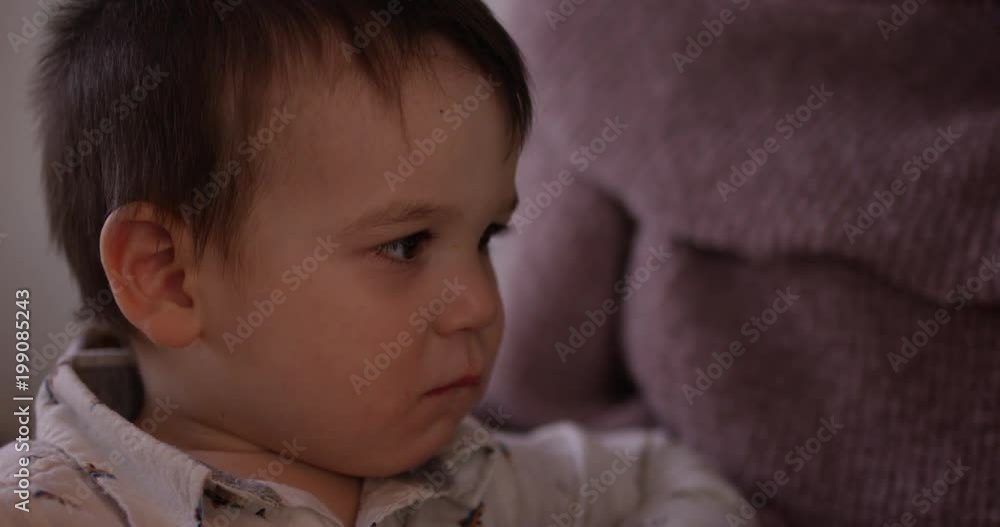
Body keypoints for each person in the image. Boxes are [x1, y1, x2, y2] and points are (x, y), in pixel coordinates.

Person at [0, 1, 754, 525]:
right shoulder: (48, 504)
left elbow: (667, 475)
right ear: (166, 275)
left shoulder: (481, 477)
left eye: (488, 236)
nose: (480, 305)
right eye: (406, 245)